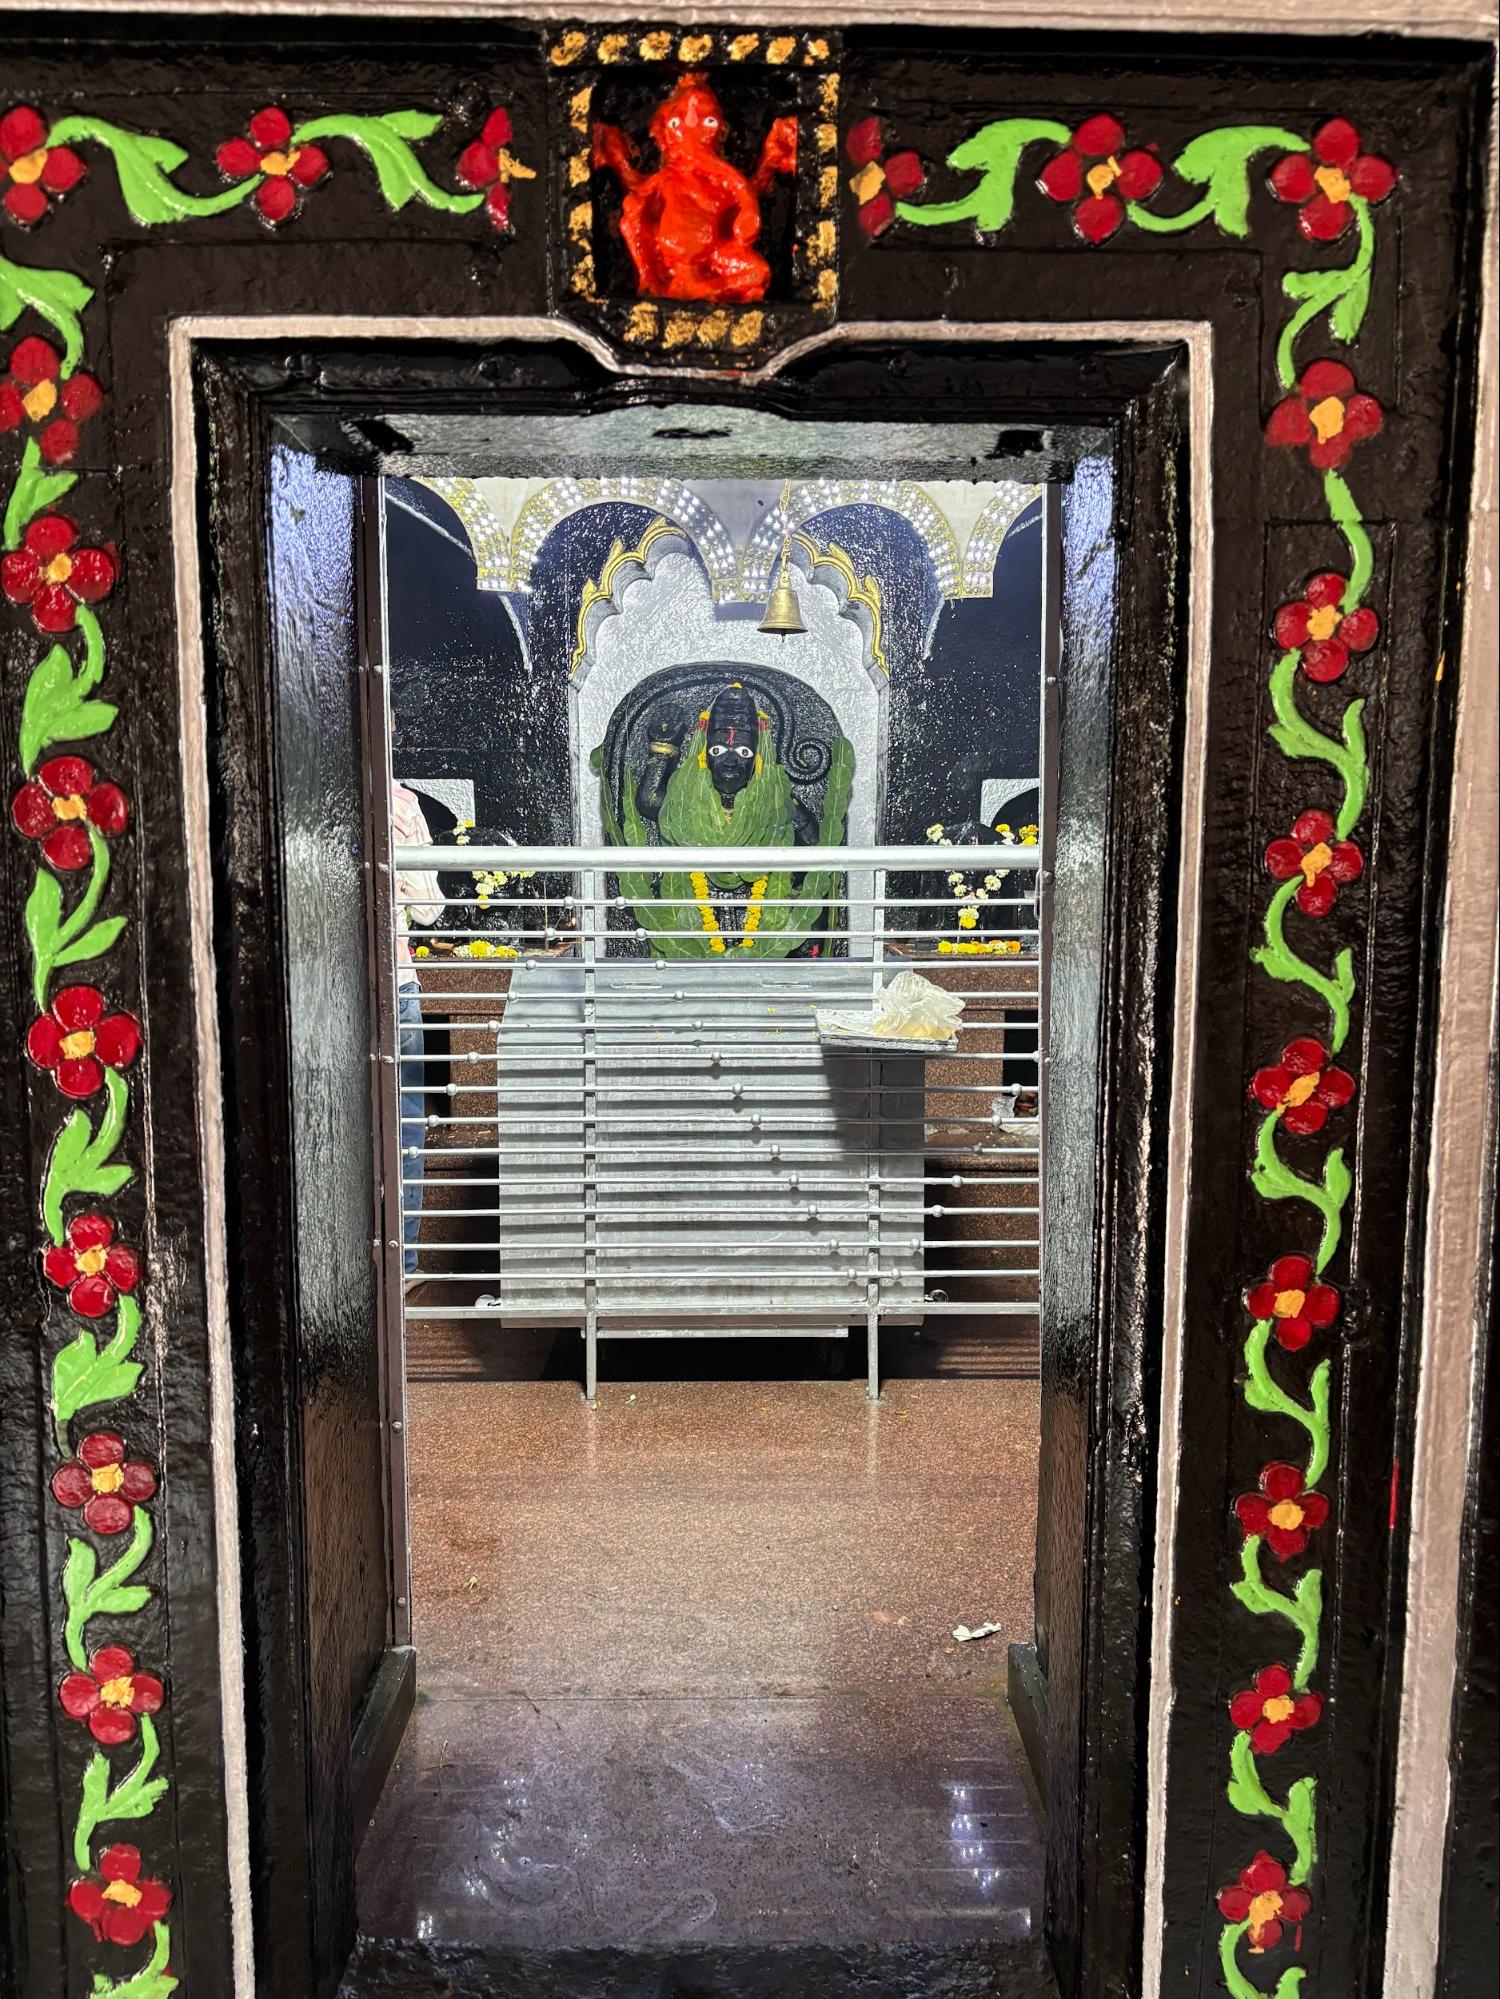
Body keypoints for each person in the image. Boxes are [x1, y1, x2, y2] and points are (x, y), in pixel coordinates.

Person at [392, 780, 441, 1277]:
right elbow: (430, 910)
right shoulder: (402, 804)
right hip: (397, 983)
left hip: (335, 992)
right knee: (406, 1127)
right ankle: (403, 1267)